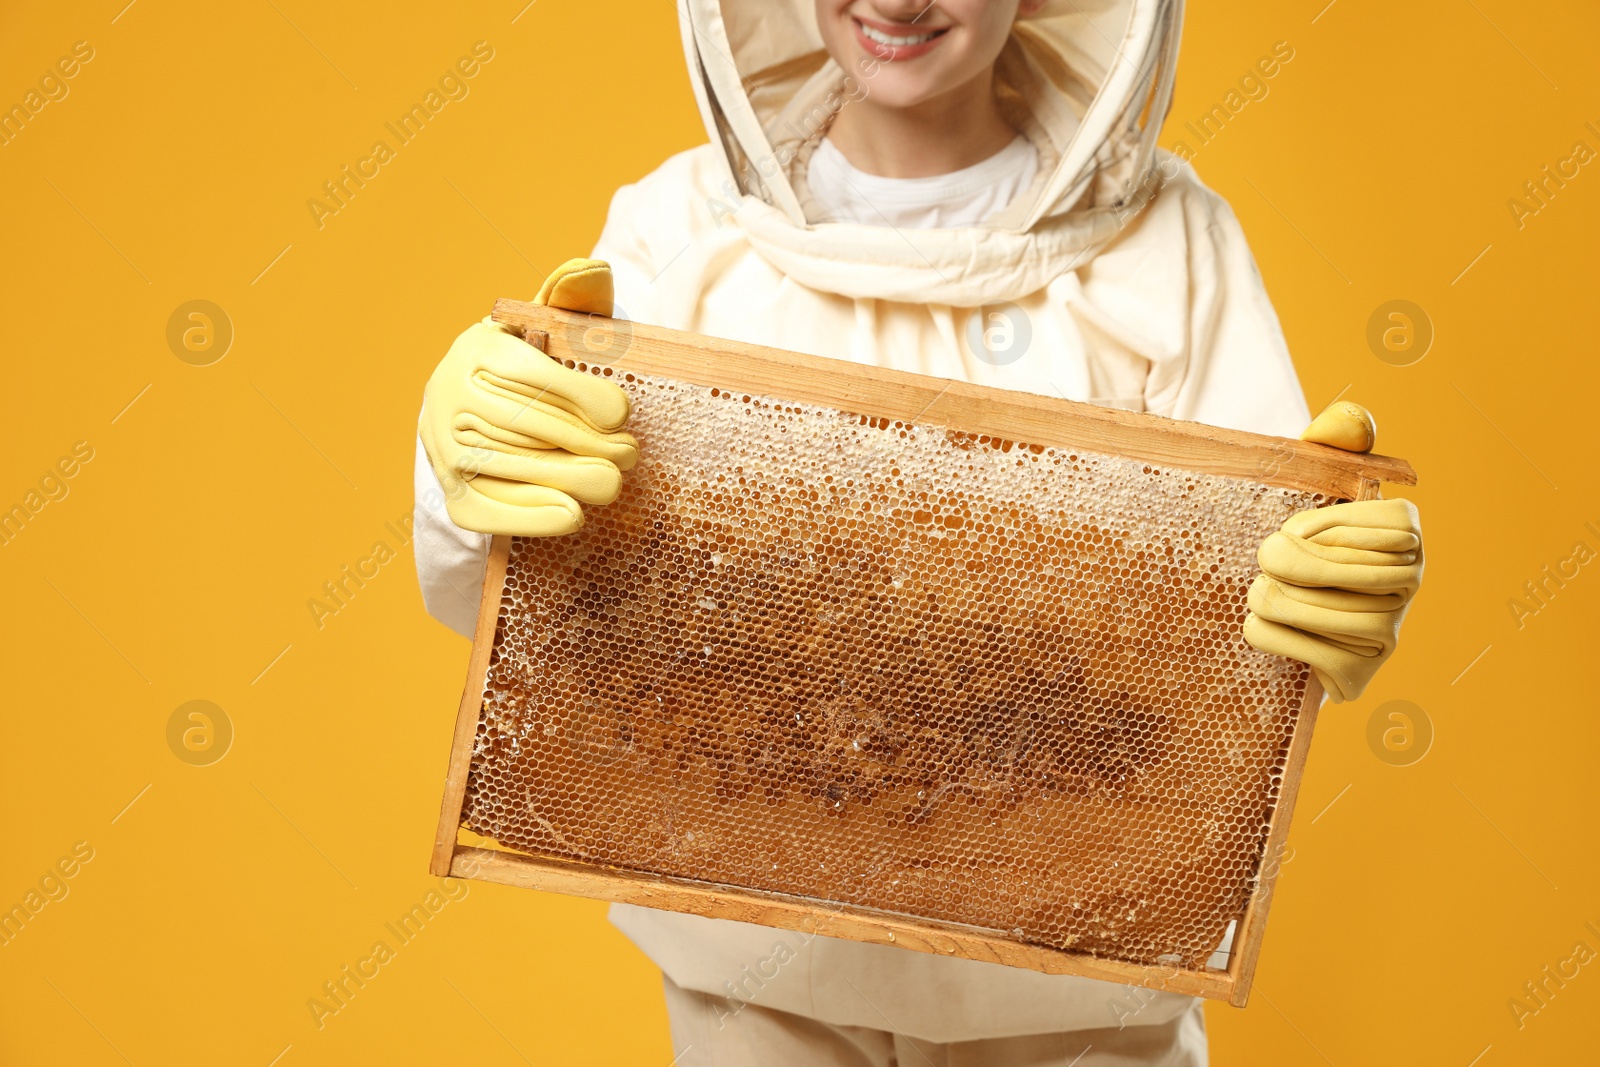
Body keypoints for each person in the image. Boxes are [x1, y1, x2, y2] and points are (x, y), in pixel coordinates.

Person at [413, 1, 1425, 1063]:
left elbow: (1258, 619)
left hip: (1081, 1007)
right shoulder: (678, 228)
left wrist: (1335, 583)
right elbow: (544, 600)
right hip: (757, 986)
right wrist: (459, 470)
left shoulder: (1167, 238)